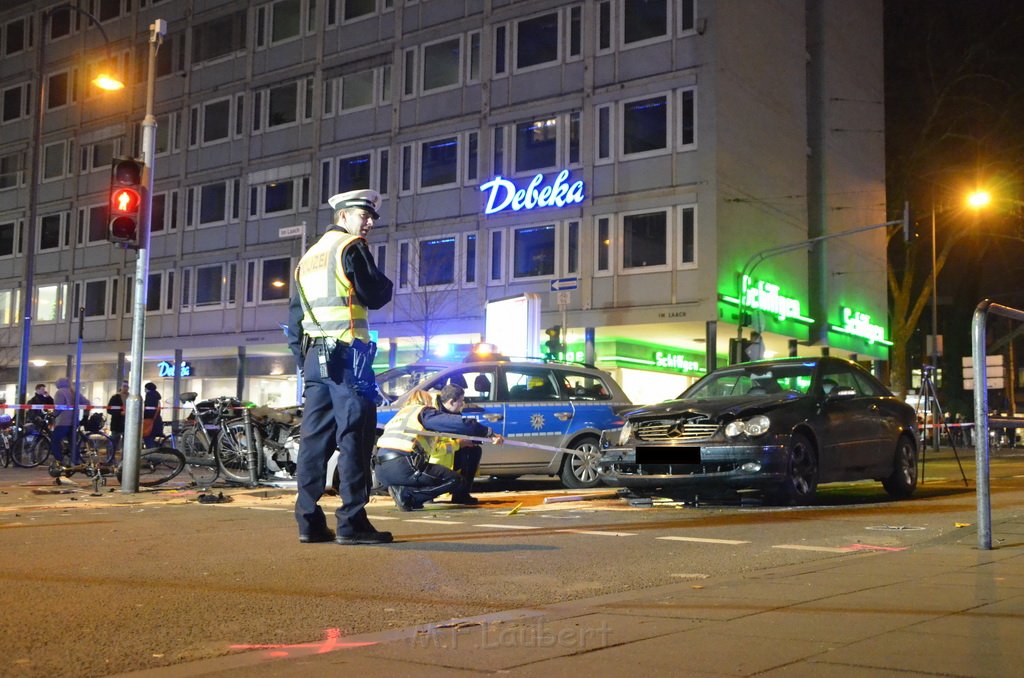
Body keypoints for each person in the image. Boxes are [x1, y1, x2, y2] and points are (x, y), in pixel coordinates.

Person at [288, 189, 394, 545]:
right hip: (349, 360)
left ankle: (308, 520)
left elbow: (294, 320)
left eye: (371, 218)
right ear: (343, 216)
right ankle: (351, 521)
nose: (368, 223)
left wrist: (305, 360)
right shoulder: (350, 248)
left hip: (316, 362)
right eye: (362, 215)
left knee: (314, 442)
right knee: (355, 438)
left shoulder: (307, 259)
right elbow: (375, 294)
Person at [375, 386, 503, 510]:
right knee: (456, 480)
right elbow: (460, 424)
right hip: (403, 466)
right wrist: (488, 432)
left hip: (381, 469)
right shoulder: (424, 412)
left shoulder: (401, 415)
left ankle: (406, 491)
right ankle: (409, 495)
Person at [427, 386, 486, 504]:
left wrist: (469, 441)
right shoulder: (433, 414)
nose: (462, 404)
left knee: (474, 451)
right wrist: (459, 444)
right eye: (461, 401)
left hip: (446, 453)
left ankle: (461, 494)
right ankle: (426, 493)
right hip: (432, 457)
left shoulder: (453, 412)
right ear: (451, 401)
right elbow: (435, 448)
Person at [51, 377, 90, 466]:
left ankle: (59, 460)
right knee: (72, 442)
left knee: (55, 440)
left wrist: (54, 414)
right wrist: (85, 416)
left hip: (63, 422)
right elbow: (87, 403)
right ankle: (75, 460)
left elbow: (58, 407)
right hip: (74, 422)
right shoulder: (74, 392)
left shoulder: (60, 392)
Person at [107, 381, 129, 463]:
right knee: (113, 442)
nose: (125, 388)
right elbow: (109, 409)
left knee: (126, 444)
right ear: (121, 387)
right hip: (117, 423)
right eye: (124, 386)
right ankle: (110, 459)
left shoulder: (130, 397)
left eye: (127, 386)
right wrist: (120, 413)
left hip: (127, 424)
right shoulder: (115, 397)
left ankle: (124, 461)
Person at [143, 382, 163, 448]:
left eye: (145, 389)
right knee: (151, 438)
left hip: (150, 421)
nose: (144, 390)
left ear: (148, 389)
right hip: (157, 420)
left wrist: (143, 416)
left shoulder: (149, 395)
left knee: (147, 438)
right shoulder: (156, 397)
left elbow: (149, 409)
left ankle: (152, 456)